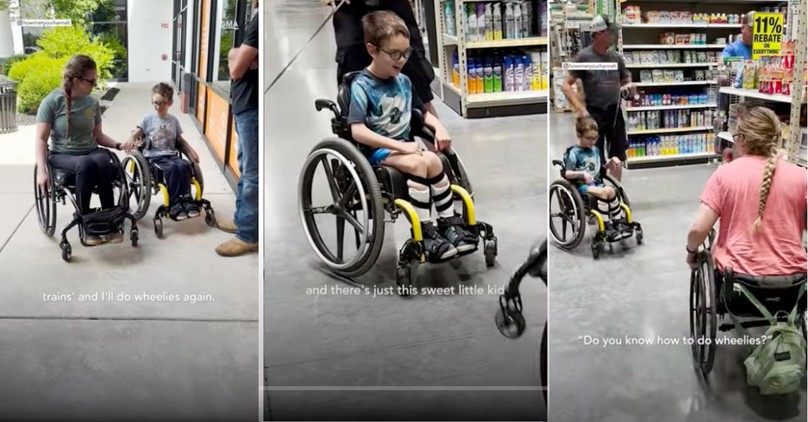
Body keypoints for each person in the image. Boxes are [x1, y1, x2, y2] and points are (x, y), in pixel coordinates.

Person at [348, 10, 477, 262]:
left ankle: (449, 223)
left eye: (406, 53)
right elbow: (357, 130)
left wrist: (438, 127)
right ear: (373, 50)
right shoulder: (362, 86)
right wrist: (400, 146)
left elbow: (419, 114)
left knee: (434, 161)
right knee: (420, 161)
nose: (402, 59)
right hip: (378, 152)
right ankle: (426, 233)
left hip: (405, 147)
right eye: (394, 54)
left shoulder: (404, 82)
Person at [686, 104, 807, 278]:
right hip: (792, 282)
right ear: (777, 138)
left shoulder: (724, 175)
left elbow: (698, 230)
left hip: (737, 280)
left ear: (741, 139)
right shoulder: (801, 176)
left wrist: (690, 252)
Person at [35, 54, 124, 246]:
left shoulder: (92, 102)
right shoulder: (51, 102)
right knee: (86, 163)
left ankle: (110, 220)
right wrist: (42, 171)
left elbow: (98, 137)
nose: (94, 85)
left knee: (102, 160)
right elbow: (41, 139)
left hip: (91, 150)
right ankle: (87, 223)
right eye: (91, 81)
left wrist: (118, 145)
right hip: (62, 155)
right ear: (76, 79)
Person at [330, 0, 439, 117]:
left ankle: (436, 131)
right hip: (350, 10)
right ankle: (356, 127)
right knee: (352, 72)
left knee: (411, 65)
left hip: (391, 4)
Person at [562, 15, 635, 182]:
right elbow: (566, 86)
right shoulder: (583, 57)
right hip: (594, 114)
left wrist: (630, 89)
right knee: (594, 156)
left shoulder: (616, 58)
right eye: (611, 32)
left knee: (617, 155)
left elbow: (626, 82)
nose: (614, 36)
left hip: (614, 113)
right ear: (600, 33)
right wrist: (581, 110)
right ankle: (596, 192)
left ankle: (615, 191)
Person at [122, 83, 201, 220]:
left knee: (184, 165)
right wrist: (130, 138)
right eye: (154, 103)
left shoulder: (173, 120)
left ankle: (186, 200)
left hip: (171, 155)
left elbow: (180, 140)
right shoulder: (148, 119)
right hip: (154, 158)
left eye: (161, 103)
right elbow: (137, 132)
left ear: (169, 102)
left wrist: (191, 151)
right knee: (170, 169)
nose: (157, 107)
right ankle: (175, 202)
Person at [218, 0, 259, 257]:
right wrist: (238, 55)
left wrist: (237, 57)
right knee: (245, 167)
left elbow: (235, 69)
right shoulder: (253, 17)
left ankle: (248, 235)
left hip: (252, 107)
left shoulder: (258, 20)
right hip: (244, 106)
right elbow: (239, 61)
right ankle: (243, 220)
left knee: (252, 174)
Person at [564, 116, 631, 240]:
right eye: (588, 138)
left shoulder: (595, 150)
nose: (592, 142)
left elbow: (601, 168)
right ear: (579, 135)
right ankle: (606, 226)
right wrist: (581, 174)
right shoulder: (574, 153)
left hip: (596, 183)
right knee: (603, 192)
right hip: (582, 186)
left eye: (595, 138)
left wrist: (612, 161)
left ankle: (618, 222)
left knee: (611, 191)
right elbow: (567, 174)